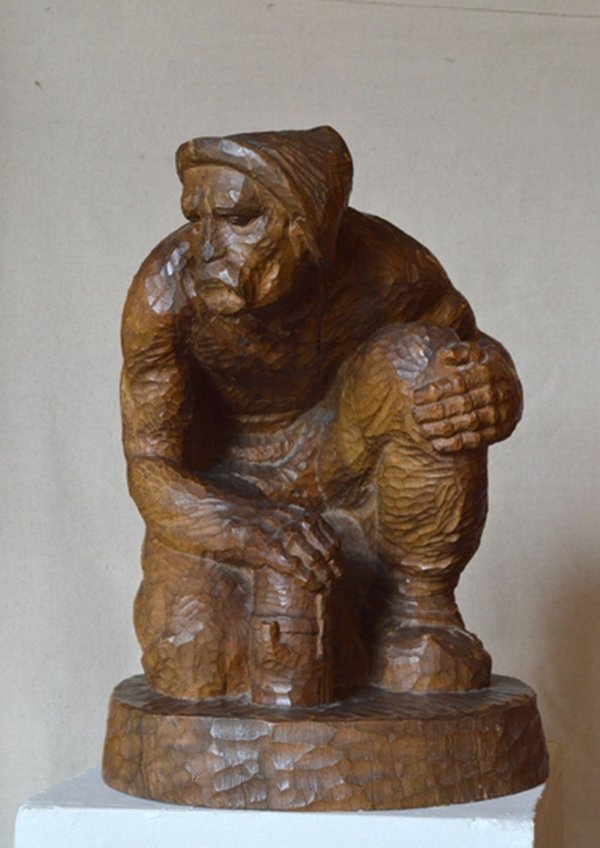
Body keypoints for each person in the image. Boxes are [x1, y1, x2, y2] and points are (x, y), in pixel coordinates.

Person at [121, 126, 522, 704]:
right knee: (195, 659)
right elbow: (150, 470)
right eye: (195, 219)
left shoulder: (388, 267)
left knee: (428, 368)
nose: (206, 247)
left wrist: (490, 388)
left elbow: (470, 353)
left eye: (239, 220)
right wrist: (252, 529)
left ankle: (418, 608)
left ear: (308, 222)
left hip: (343, 464)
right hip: (227, 493)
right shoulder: (164, 294)